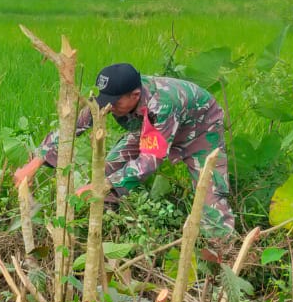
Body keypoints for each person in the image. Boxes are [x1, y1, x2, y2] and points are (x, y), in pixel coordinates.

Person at [14, 63, 234, 240]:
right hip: (149, 129)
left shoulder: (162, 104)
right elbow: (73, 126)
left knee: (211, 199)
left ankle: (221, 256)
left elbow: (149, 161)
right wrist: (34, 164)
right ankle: (108, 230)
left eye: (114, 103)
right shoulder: (113, 96)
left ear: (135, 95)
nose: (108, 107)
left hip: (199, 130)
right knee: (106, 171)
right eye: (104, 100)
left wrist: (102, 186)